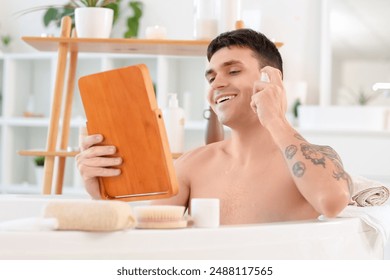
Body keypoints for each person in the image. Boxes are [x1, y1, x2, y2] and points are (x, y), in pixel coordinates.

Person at [76, 29, 352, 225]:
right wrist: (101, 196)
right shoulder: (193, 164)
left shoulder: (314, 158)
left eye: (233, 71)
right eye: (211, 77)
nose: (217, 83)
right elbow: (148, 239)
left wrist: (276, 119)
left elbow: (331, 202)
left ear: (271, 81)